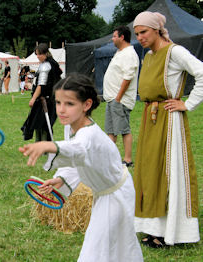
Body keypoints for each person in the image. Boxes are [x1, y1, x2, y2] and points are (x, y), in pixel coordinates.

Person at [19, 74, 143, 262]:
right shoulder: (73, 126)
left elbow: (78, 150)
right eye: (58, 102)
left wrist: (50, 145)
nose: (61, 110)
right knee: (115, 245)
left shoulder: (88, 134)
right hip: (110, 193)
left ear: (86, 105)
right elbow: (82, 159)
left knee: (99, 246)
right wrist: (61, 179)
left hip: (116, 196)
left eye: (69, 104)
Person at [133, 11, 203, 247]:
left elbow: (201, 72)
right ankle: (155, 229)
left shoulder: (175, 51)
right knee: (150, 173)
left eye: (143, 32)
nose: (140, 37)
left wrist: (187, 103)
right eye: (137, 34)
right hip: (150, 119)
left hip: (169, 120)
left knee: (168, 172)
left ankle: (173, 231)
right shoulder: (149, 56)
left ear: (156, 30)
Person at [103, 26, 139, 167]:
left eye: (114, 36)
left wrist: (118, 98)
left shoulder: (129, 54)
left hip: (120, 100)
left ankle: (128, 159)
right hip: (112, 99)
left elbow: (128, 77)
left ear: (122, 37)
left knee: (124, 130)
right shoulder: (120, 52)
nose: (112, 39)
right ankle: (109, 159)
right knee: (111, 131)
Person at [21, 43, 62, 141]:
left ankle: (44, 147)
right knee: (38, 124)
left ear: (45, 53)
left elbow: (41, 85)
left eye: (39, 54)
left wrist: (33, 99)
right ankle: (39, 146)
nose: (38, 57)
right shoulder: (51, 64)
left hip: (45, 100)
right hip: (49, 99)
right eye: (37, 54)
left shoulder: (46, 65)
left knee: (43, 125)